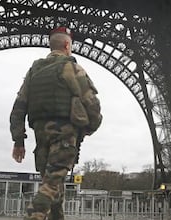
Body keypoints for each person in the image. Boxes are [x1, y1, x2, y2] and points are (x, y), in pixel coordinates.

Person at [9, 26, 102, 220]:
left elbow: (18, 109)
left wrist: (18, 141)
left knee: (55, 189)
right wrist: (88, 129)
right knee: (51, 185)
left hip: (41, 137)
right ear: (67, 45)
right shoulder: (71, 68)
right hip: (65, 135)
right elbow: (93, 106)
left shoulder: (33, 72)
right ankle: (33, 216)